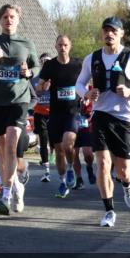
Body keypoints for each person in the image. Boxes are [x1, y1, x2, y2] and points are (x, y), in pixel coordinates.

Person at [74, 17, 130, 227]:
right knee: (102, 162)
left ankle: (127, 184)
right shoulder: (92, 58)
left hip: (125, 119)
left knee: (123, 170)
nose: (109, 34)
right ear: (102, 34)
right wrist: (87, 93)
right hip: (101, 115)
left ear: (121, 34)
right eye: (106, 30)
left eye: (113, 31)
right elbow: (79, 84)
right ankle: (109, 210)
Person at [0, 4, 39, 217]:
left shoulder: (27, 43)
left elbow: (37, 66)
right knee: (3, 149)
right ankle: (17, 187)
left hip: (19, 100)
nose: (8, 20)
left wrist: (29, 71)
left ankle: (6, 194)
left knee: (12, 141)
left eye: (12, 17)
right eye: (5, 17)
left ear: (18, 19)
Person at [38, 35, 83, 198]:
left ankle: (71, 167)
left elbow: (87, 82)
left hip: (72, 112)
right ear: (55, 47)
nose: (62, 47)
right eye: (60, 45)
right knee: (58, 151)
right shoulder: (50, 65)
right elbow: (39, 86)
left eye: (65, 44)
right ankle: (63, 182)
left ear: (70, 46)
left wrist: (87, 93)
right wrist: (43, 86)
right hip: (55, 113)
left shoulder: (78, 64)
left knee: (68, 144)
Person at [33, 53, 52, 182]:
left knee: (58, 142)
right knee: (43, 141)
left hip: (54, 113)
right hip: (40, 112)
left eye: (47, 61)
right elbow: (33, 92)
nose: (45, 63)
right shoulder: (34, 78)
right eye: (43, 61)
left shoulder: (56, 76)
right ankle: (46, 171)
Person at [72, 93, 96, 189]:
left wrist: (86, 106)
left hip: (86, 128)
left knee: (88, 154)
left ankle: (89, 167)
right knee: (74, 154)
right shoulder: (71, 91)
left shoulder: (90, 91)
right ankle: (79, 179)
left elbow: (92, 110)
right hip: (73, 127)